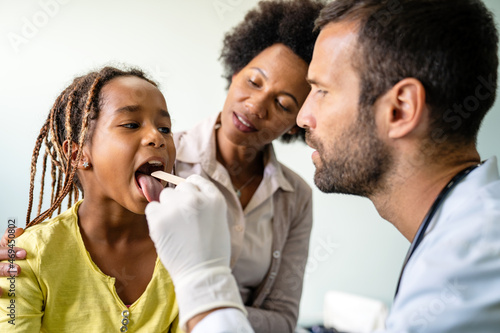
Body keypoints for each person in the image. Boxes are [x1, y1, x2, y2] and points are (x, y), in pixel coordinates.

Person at [146, 0, 500, 332]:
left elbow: (283, 318)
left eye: (320, 91)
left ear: (400, 110)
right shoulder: (462, 235)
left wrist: (202, 281)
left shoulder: (473, 262)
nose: (302, 118)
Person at [0, 1, 325, 332]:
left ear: (297, 122)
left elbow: (283, 318)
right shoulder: (34, 257)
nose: (256, 106)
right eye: (254, 82)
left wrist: (201, 290)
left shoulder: (179, 257)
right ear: (236, 70)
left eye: (283, 103)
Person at [0, 66, 190, 331]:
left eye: (165, 128)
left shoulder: (188, 249)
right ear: (78, 154)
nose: (156, 137)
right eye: (132, 124)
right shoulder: (26, 257)